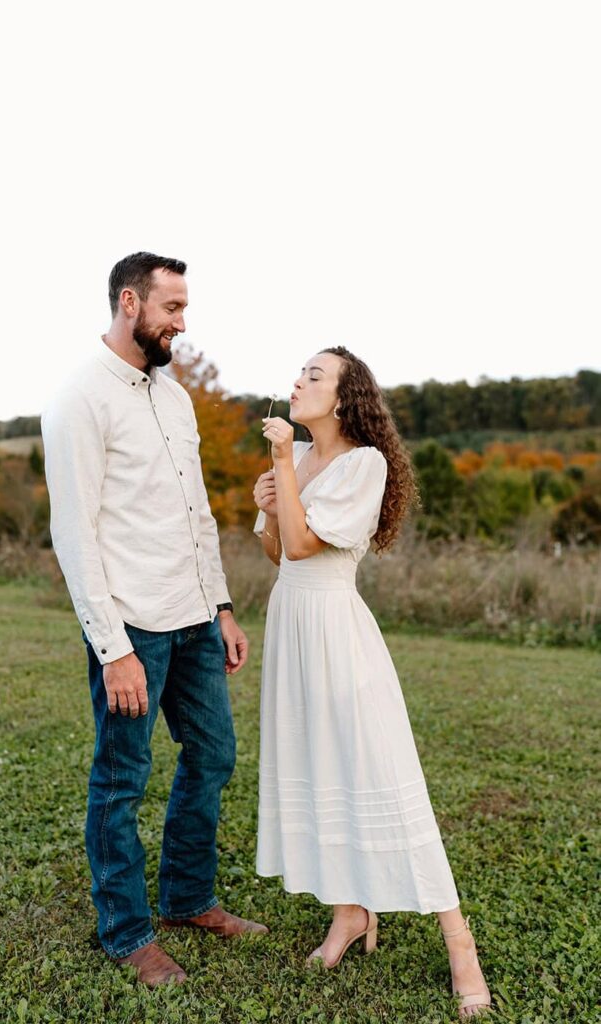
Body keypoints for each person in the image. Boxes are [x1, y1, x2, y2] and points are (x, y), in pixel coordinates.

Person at [42, 251, 266, 989]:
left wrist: (223, 606)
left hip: (195, 618)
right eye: (173, 308)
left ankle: (186, 899)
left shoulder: (173, 397)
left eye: (185, 309)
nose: (181, 323)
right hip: (130, 626)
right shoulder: (79, 397)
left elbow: (194, 511)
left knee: (214, 757)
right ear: (130, 303)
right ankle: (127, 932)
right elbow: (75, 533)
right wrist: (112, 650)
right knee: (121, 778)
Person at [253, 347, 491, 1018]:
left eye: (314, 375)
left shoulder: (365, 463)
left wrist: (279, 470)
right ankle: (349, 914)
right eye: (298, 372)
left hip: (335, 628)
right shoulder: (297, 460)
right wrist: (267, 503)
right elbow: (277, 552)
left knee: (378, 772)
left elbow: (308, 549)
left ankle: (458, 942)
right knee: (317, 767)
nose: (298, 381)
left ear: (343, 396)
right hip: (290, 626)